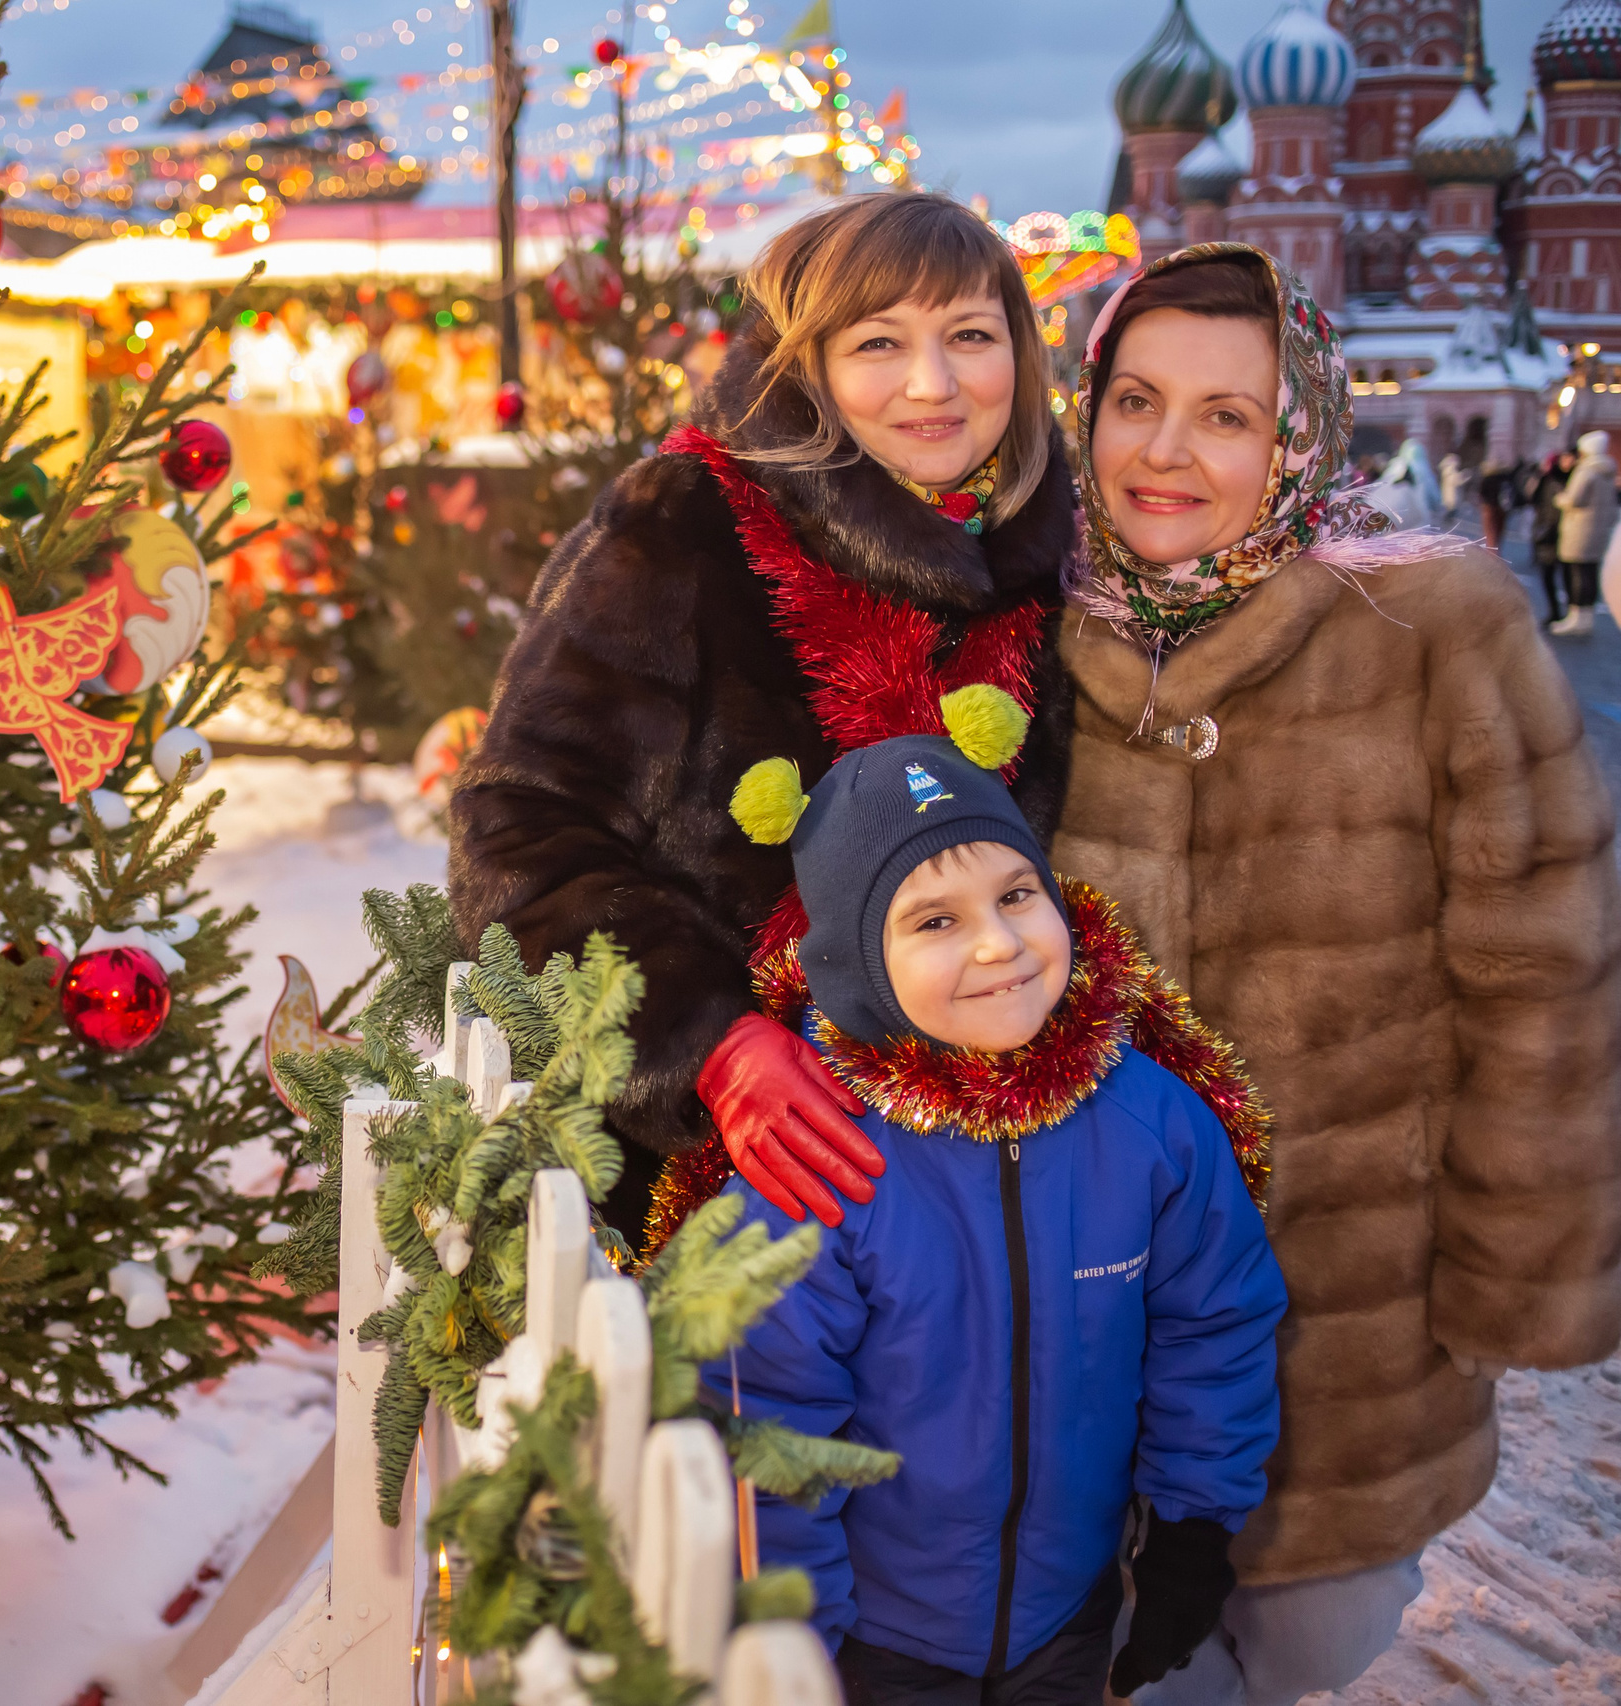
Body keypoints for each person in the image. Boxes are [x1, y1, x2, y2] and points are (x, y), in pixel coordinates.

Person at [667, 244, 1621, 1706]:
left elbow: (1541, 978)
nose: (1168, 453)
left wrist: (1512, 1278)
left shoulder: (1434, 628)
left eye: (1228, 416)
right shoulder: (1009, 616)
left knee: (1298, 1642)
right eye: (1136, 400)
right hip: (1018, 1336)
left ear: (1297, 430)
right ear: (1085, 406)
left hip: (1337, 1311)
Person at [449, 192, 1078, 1239]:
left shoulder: (1043, 569)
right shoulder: (684, 528)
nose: (935, 383)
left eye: (970, 334)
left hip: (981, 1179)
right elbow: (519, 836)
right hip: (712, 1193)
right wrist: (710, 1041)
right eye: (879, 341)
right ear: (807, 366)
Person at [705, 719, 1286, 1706]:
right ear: (857, 963)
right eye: (932, 920)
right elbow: (763, 1422)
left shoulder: (1151, 1121)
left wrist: (1192, 1529)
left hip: (1070, 1615)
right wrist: (789, 1640)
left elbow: (1214, 1324)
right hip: (874, 1639)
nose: (998, 941)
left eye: (1017, 893)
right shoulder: (823, 1163)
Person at [1552, 429, 1617, 634]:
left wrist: (1559, 499)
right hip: (1599, 530)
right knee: (1590, 573)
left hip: (1579, 530)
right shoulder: (1607, 471)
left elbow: (1573, 499)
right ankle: (1587, 617)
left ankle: (1575, 617)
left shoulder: (1585, 471)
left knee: (1577, 573)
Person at [1528, 446, 1576, 624]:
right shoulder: (1547, 478)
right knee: (1547, 573)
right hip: (1547, 530)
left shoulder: (1575, 479)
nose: (1567, 462)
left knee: (1568, 575)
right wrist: (1538, 475)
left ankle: (1570, 613)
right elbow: (1530, 496)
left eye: (1570, 458)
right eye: (1564, 458)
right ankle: (1554, 610)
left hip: (1567, 532)